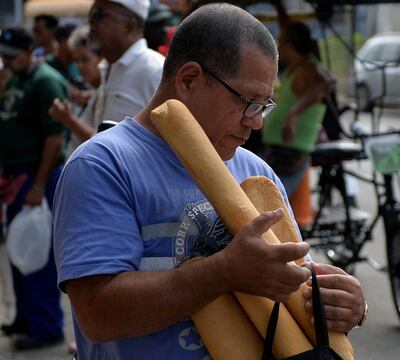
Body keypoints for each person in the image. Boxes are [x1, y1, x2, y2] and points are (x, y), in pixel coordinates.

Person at [53, 4, 366, 359]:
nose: (256, 122)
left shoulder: (255, 172)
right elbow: (98, 315)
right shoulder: (102, 165)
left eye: (265, 106)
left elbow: (292, 283)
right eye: (249, 102)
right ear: (189, 79)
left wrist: (345, 304)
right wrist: (222, 273)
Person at [0, 26, 67, 350]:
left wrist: (38, 185)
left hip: (37, 176)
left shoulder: (45, 80)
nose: (6, 60)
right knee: (18, 248)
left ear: (29, 52)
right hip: (16, 176)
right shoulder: (14, 78)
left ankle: (46, 326)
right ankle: (25, 318)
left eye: (12, 56)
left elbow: (54, 139)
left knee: (37, 254)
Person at [261, 0, 331, 195]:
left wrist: (293, 114)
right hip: (277, 150)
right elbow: (288, 30)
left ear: (289, 46)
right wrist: (278, 7)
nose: (278, 46)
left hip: (289, 154)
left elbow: (325, 83)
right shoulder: (297, 67)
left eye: (280, 42)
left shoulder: (309, 70)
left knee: (270, 204)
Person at [89, 0, 164, 123]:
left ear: (128, 26)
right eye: (91, 15)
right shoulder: (108, 66)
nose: (91, 22)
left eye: (99, 14)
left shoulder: (155, 70)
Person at [49, 25, 103, 157]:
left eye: (85, 59)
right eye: (76, 60)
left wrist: (69, 119)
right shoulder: (96, 91)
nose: (79, 66)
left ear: (102, 58)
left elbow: (101, 142)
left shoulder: (109, 91)